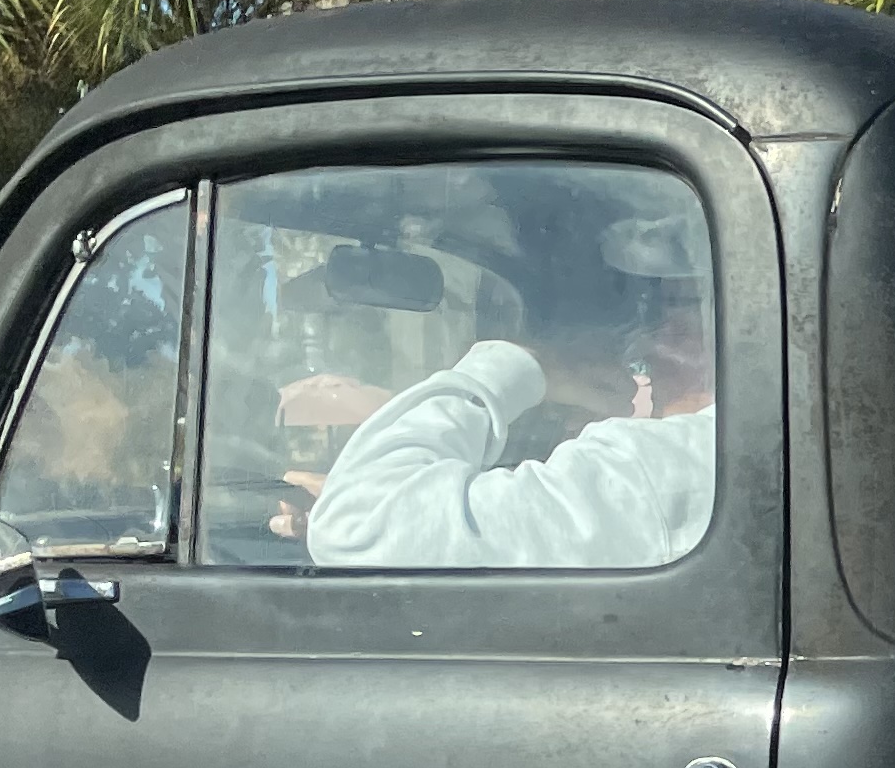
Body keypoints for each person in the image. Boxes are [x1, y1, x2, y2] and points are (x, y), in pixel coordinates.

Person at [304, 222, 713, 571]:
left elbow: (357, 526)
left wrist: (522, 363)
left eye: (680, 310)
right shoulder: (689, 469)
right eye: (653, 314)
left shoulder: (668, 468)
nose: (646, 345)